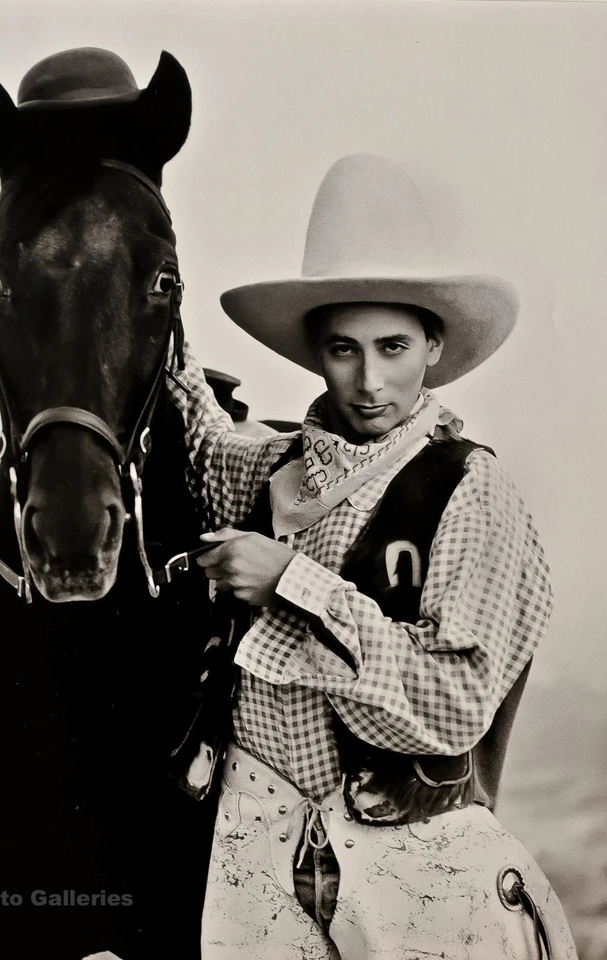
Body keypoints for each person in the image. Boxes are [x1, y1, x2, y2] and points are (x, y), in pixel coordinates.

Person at [166, 154, 576, 958]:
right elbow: (190, 422)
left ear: (432, 344)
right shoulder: (262, 469)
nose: (369, 380)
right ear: (315, 352)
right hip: (255, 881)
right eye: (343, 349)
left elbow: (451, 706)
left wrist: (292, 582)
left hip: (418, 883)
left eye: (392, 346)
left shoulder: (471, 488)